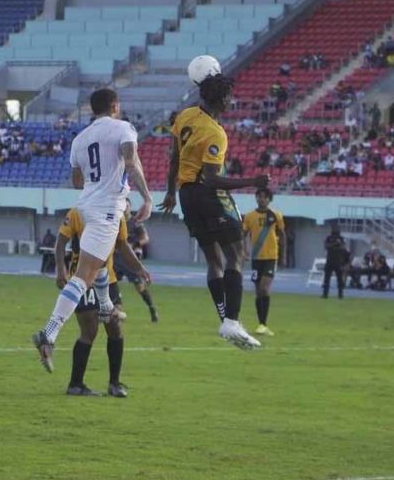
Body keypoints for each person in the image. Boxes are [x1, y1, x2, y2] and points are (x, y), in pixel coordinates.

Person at [32, 88, 153, 373]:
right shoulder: (124, 127)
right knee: (83, 276)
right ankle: (48, 333)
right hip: (107, 209)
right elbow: (131, 161)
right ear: (114, 106)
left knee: (99, 263)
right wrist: (146, 197)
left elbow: (77, 180)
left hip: (87, 204)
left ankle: (105, 305)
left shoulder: (79, 139)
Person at [157, 58, 268, 350]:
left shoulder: (185, 115)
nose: (232, 100)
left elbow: (174, 158)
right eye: (229, 96)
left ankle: (225, 320)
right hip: (207, 195)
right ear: (222, 99)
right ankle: (231, 321)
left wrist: (170, 192)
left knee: (214, 261)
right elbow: (212, 180)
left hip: (184, 195)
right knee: (237, 254)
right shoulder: (216, 133)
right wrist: (253, 181)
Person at [56, 207, 149, 397]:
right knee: (90, 331)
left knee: (115, 327)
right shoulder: (78, 212)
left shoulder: (117, 215)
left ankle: (115, 384)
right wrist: (60, 271)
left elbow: (123, 245)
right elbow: (60, 242)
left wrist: (139, 268)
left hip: (109, 280)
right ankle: (75, 384)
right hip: (83, 279)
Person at [242, 188, 285, 337]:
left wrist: (283, 255)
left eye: (265, 197)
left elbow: (282, 235)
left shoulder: (276, 215)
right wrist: (244, 251)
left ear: (269, 199)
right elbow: (244, 235)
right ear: (256, 198)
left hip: (271, 257)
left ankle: (263, 324)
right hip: (256, 258)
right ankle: (261, 323)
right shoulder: (249, 216)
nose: (262, 199)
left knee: (264, 288)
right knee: (258, 291)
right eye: (259, 197)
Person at [114, 201, 160, 323]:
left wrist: (134, 244)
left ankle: (152, 308)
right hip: (115, 259)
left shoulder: (136, 223)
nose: (124, 209)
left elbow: (145, 238)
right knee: (112, 285)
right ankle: (118, 312)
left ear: (130, 208)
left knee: (139, 287)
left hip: (130, 260)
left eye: (127, 206)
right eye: (123, 206)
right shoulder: (116, 221)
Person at [322, 224, 348, 299]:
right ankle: (325, 294)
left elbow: (343, 248)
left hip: (338, 261)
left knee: (339, 279)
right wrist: (335, 244)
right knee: (327, 278)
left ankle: (340, 294)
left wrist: (334, 246)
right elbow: (326, 246)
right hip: (330, 260)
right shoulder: (329, 238)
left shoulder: (341, 239)